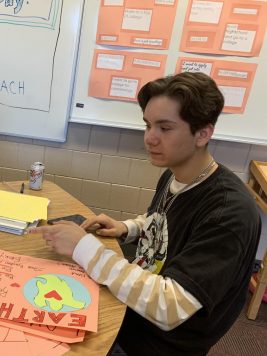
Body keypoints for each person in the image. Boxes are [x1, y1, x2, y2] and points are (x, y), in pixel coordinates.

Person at [29, 72, 261, 355]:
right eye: (148, 125)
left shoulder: (229, 214)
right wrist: (128, 227)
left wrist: (82, 247)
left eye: (165, 128)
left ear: (203, 133)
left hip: (156, 341)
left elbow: (169, 306)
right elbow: (165, 221)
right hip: (135, 305)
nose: (149, 138)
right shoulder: (175, 175)